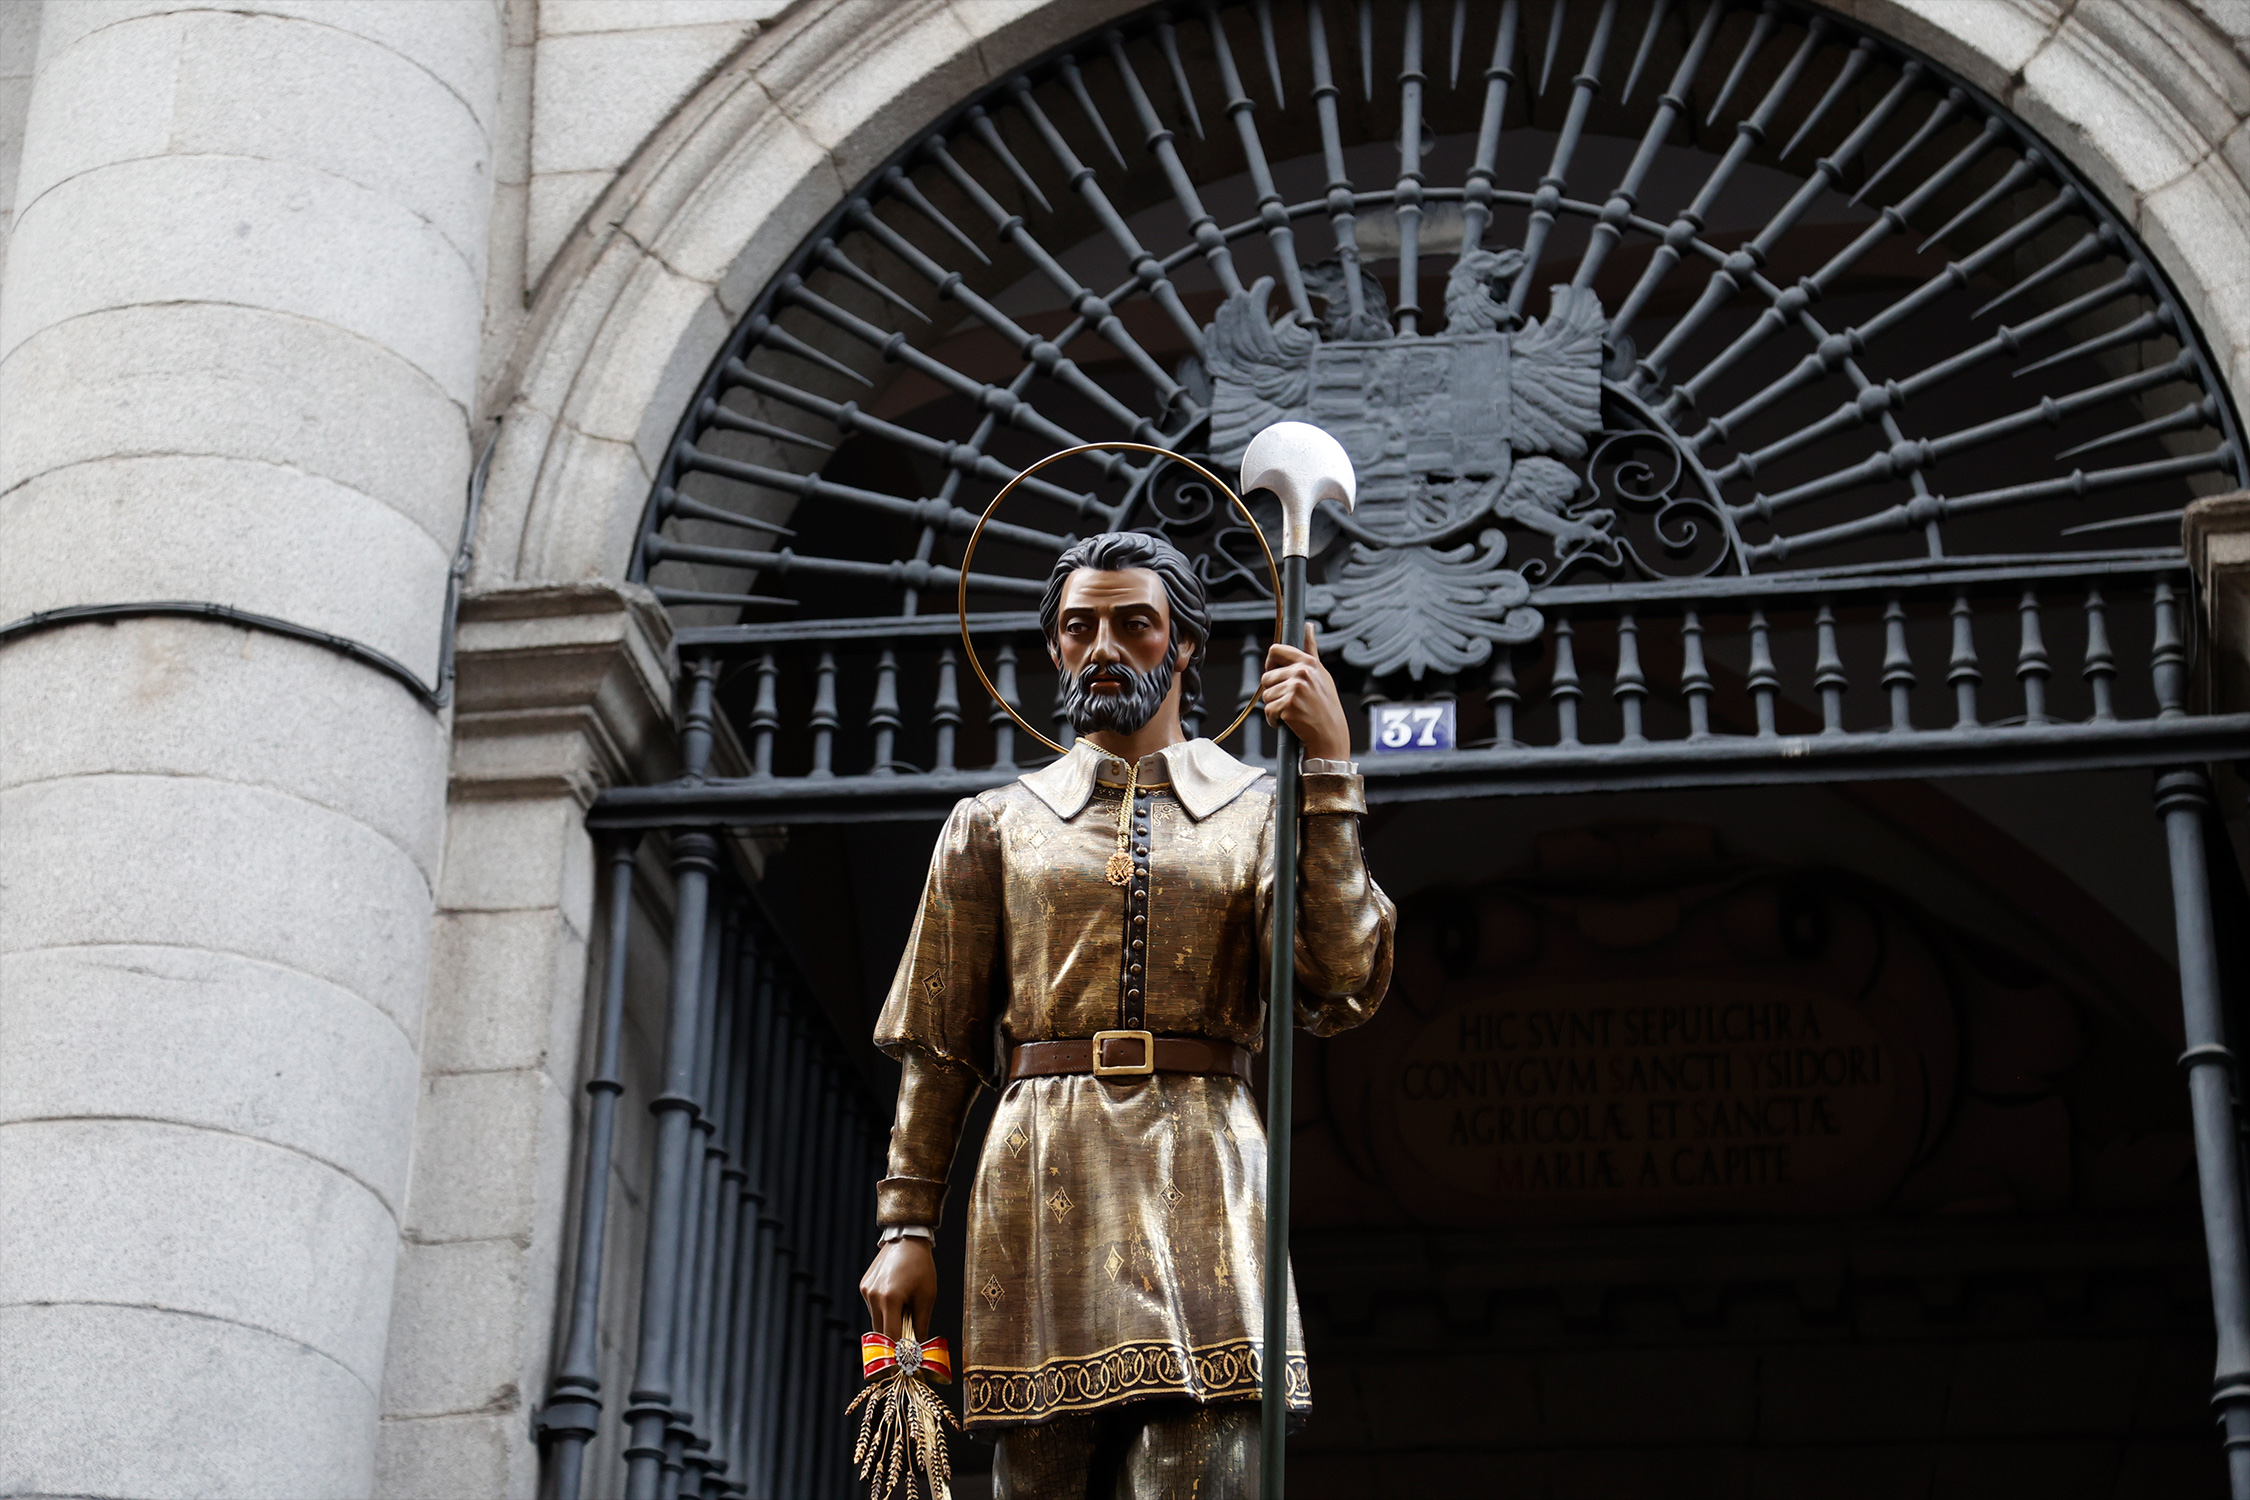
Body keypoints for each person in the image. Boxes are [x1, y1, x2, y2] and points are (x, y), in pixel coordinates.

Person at [859, 531, 1395, 1498]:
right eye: (1078, 627)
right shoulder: (994, 825)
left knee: (1211, 1474)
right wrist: (906, 1225)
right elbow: (939, 1045)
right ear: (1056, 650)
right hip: (1042, 1169)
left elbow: (1339, 978)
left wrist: (1330, 768)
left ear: (1183, 645)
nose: (1102, 646)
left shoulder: (1260, 810)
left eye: (1132, 624)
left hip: (1202, 1165)